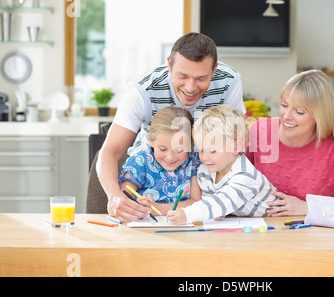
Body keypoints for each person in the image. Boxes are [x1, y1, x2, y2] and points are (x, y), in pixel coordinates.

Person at [97, 32, 245, 222]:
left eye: (201, 78)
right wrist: (115, 197)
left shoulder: (229, 82)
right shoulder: (144, 92)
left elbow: (237, 143)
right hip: (150, 176)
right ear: (169, 64)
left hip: (203, 176)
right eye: (182, 76)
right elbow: (110, 152)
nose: (190, 87)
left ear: (214, 70)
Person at [246, 70, 334, 217]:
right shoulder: (260, 131)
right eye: (284, 105)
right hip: (263, 231)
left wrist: (309, 207)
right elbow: (233, 182)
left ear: (320, 115)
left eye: (299, 112)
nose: (286, 116)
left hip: (317, 235)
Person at [167, 105, 277, 225]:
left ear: (236, 147)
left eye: (212, 151)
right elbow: (214, 206)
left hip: (275, 222)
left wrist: (187, 214)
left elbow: (221, 202)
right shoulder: (205, 171)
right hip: (245, 224)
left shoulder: (246, 175)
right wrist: (217, 212)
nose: (204, 157)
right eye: (201, 150)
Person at [118, 107, 201, 216]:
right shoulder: (139, 163)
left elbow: (196, 202)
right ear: (151, 140)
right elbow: (122, 202)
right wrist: (137, 206)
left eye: (179, 150)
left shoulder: (194, 162)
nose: (170, 158)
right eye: (162, 149)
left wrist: (157, 209)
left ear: (191, 143)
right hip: (144, 230)